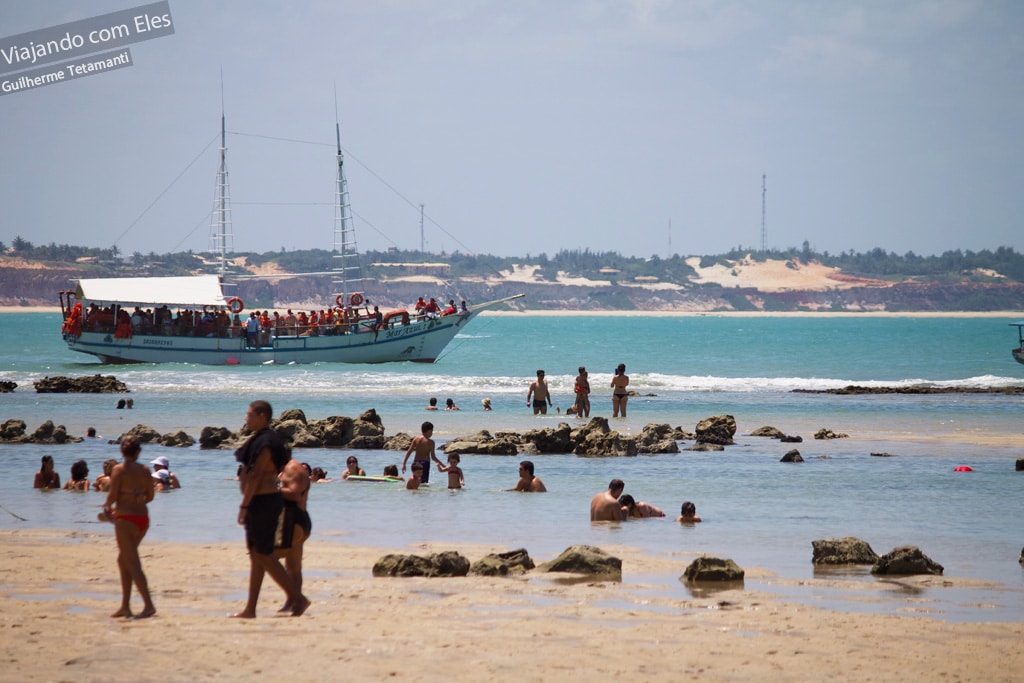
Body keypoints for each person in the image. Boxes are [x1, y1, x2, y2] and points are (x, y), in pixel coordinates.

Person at [233, 400, 309, 618]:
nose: (246, 418)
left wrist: (245, 504)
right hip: (261, 501)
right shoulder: (263, 440)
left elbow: (257, 476)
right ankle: (250, 608)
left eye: (249, 415)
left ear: (262, 416)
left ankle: (298, 598)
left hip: (263, 502)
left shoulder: (267, 442)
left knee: (264, 554)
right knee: (257, 557)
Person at [101, 436, 156, 618]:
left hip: (125, 519)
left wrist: (106, 507)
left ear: (122, 452)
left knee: (132, 563)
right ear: (138, 452)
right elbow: (150, 497)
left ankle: (148, 605)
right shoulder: (146, 470)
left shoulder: (119, 469)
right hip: (142, 519)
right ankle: (125, 605)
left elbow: (112, 496)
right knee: (123, 560)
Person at [275, 458, 312, 613]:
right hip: (299, 519)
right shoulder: (286, 471)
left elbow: (295, 494)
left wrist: (269, 488)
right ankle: (294, 602)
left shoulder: (293, 470)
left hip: (294, 519)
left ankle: (297, 598)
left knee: (267, 557)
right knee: (293, 567)